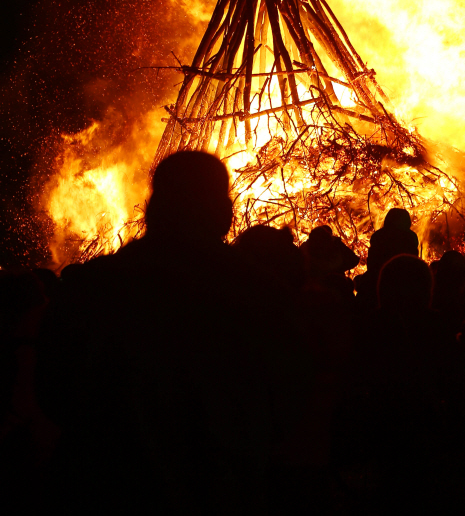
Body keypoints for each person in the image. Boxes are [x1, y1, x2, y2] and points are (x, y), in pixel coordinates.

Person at [38, 151, 310, 512]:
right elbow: (288, 403)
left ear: (153, 207)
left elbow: (54, 392)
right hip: (220, 489)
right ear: (224, 211)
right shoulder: (261, 295)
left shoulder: (93, 287)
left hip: (105, 487)